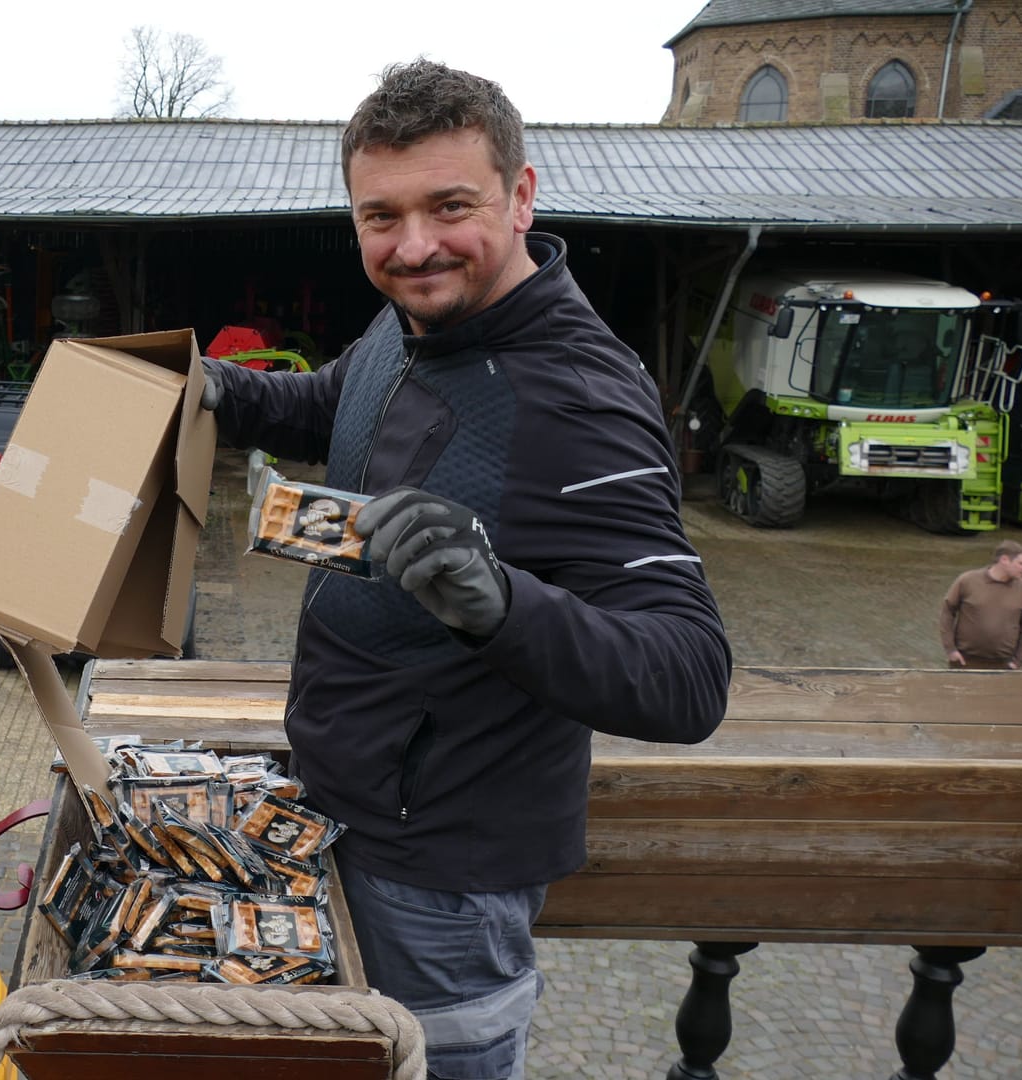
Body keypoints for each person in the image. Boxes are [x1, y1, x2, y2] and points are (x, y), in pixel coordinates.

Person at [199, 61, 730, 1080]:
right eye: (380, 217)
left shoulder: (582, 395)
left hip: (445, 877)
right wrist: (217, 389)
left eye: (451, 207)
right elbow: (335, 408)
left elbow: (690, 676)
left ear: (523, 196)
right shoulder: (408, 323)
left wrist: (498, 603)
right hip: (334, 809)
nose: (413, 247)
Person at [939, 541, 1022, 670]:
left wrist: (1018, 661)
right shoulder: (967, 581)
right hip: (965, 662)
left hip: (1004, 665)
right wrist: (950, 649)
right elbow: (947, 612)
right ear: (1004, 560)